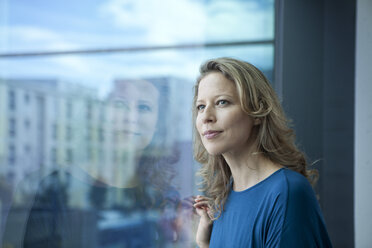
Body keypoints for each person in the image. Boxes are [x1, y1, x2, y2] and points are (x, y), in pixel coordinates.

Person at [2, 79, 180, 248]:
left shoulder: (159, 197)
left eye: (144, 107)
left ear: (157, 123)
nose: (131, 117)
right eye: (120, 104)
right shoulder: (51, 189)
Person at [192, 57, 332, 247]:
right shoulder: (224, 198)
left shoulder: (286, 193)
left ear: (257, 112)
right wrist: (204, 243)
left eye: (222, 102)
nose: (206, 117)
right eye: (201, 106)